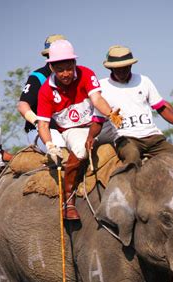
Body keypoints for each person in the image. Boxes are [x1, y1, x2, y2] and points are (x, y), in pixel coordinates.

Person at [37, 39, 122, 221]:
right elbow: (43, 124)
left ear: (74, 63)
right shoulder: (45, 91)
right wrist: (50, 144)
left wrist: (111, 114)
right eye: (60, 70)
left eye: (69, 68)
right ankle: (68, 200)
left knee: (126, 133)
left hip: (96, 124)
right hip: (72, 129)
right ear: (51, 68)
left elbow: (97, 99)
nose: (66, 74)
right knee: (81, 150)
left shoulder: (85, 74)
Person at [86, 45, 173, 166]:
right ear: (111, 69)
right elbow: (98, 119)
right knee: (132, 159)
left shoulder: (144, 80)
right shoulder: (102, 87)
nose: (122, 71)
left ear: (131, 66)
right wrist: (90, 137)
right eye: (118, 69)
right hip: (126, 138)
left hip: (153, 136)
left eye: (125, 68)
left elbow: (161, 107)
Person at [18, 34, 68, 152]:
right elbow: (22, 105)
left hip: (67, 128)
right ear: (48, 55)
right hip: (42, 130)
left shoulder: (73, 76)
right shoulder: (38, 77)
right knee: (62, 151)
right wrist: (36, 122)